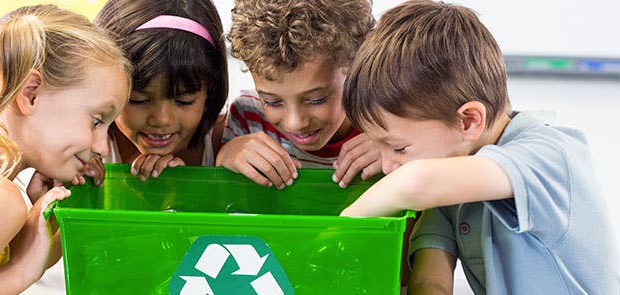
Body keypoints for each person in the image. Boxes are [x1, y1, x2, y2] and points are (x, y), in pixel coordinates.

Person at [340, 0, 620, 293]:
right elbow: (431, 281)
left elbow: (416, 182)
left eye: (398, 148)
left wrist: (339, 231)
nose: (387, 167)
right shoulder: (451, 182)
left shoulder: (550, 154)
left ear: (469, 121)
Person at [0, 4, 131, 294]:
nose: (102, 146)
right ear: (31, 94)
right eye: (96, 120)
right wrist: (21, 271)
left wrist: (46, 229)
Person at [217, 0, 381, 190]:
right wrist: (224, 158)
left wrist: (397, 151)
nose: (295, 123)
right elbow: (230, 202)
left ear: (358, 66)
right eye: (272, 101)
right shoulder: (249, 118)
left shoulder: (388, 123)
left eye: (316, 99)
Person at [84, 0, 228, 184]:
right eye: (139, 99)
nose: (162, 120)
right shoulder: (88, 150)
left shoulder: (224, 142)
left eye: (184, 100)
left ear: (211, 88)